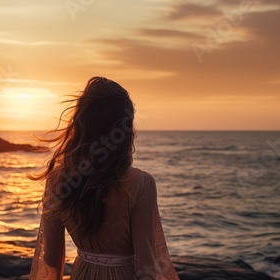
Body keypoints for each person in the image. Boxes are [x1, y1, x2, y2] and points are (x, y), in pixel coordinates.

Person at [29, 77, 179, 280]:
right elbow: (146, 263)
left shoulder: (58, 179)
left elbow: (51, 258)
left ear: (81, 125)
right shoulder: (141, 184)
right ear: (124, 130)